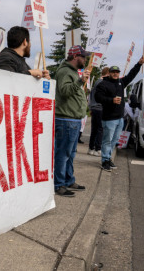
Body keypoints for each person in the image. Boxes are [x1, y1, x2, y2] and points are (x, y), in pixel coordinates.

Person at [95, 57, 144, 171]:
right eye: (113, 72)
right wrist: (111, 100)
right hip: (108, 118)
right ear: (109, 73)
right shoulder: (103, 84)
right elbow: (98, 97)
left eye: (117, 72)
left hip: (119, 118)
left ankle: (109, 158)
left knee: (114, 141)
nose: (115, 74)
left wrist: (139, 64)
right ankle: (104, 161)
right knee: (107, 140)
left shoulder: (121, 82)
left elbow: (131, 75)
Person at [54, 45, 91, 197]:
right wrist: (79, 81)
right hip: (66, 119)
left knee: (70, 153)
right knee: (63, 154)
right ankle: (59, 184)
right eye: (84, 57)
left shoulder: (72, 72)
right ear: (76, 57)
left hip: (72, 119)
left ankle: (68, 180)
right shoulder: (65, 72)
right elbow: (64, 91)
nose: (86, 59)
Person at [86, 67, 110, 156]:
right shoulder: (103, 83)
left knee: (94, 129)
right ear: (107, 73)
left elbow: (91, 96)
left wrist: (91, 107)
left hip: (94, 108)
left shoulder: (96, 82)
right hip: (100, 108)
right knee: (100, 129)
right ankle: (97, 148)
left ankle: (91, 148)